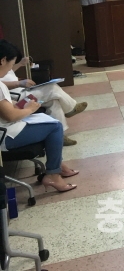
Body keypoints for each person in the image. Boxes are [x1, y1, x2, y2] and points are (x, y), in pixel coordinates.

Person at [0, 40, 79, 193]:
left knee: (50, 121)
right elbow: (10, 116)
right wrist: (30, 109)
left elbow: (6, 109)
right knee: (55, 127)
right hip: (5, 136)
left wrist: (19, 106)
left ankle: (57, 167)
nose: (10, 69)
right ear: (3, 60)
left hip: (5, 128)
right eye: (11, 64)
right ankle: (53, 175)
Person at [1, 55, 86, 146]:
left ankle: (60, 135)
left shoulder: (4, 67)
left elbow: (8, 72)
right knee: (52, 88)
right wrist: (18, 83)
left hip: (21, 91)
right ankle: (71, 108)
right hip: (17, 97)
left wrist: (20, 64)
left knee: (53, 101)